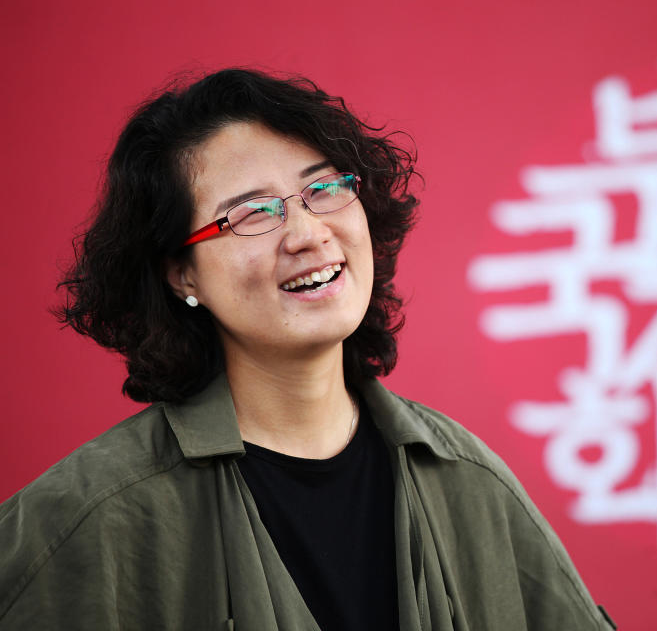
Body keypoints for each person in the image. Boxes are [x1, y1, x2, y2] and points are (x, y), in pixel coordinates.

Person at [0, 69, 616, 630]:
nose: (307, 233)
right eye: (253, 214)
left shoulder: (469, 482)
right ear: (181, 274)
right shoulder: (84, 518)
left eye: (325, 189)